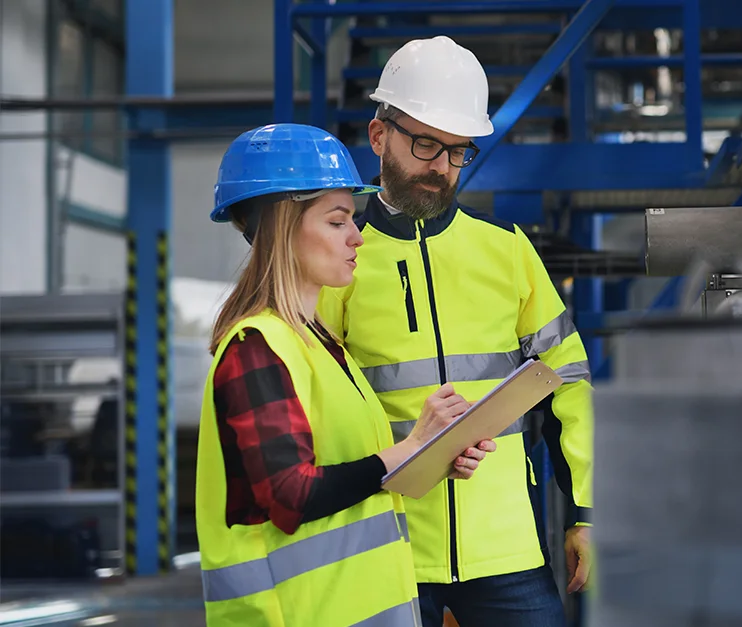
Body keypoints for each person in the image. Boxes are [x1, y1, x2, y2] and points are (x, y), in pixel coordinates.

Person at [317, 36, 595, 627]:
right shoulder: (340, 264)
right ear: (377, 136)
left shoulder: (509, 255)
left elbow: (569, 385)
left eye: (457, 151)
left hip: (506, 549)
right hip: (388, 546)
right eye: (424, 144)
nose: (440, 167)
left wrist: (586, 512)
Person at [195, 122, 496, 626]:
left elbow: (356, 475)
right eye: (338, 222)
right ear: (282, 229)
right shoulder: (257, 349)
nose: (357, 237)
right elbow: (292, 495)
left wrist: (427, 455)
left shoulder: (321, 343)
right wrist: (402, 453)